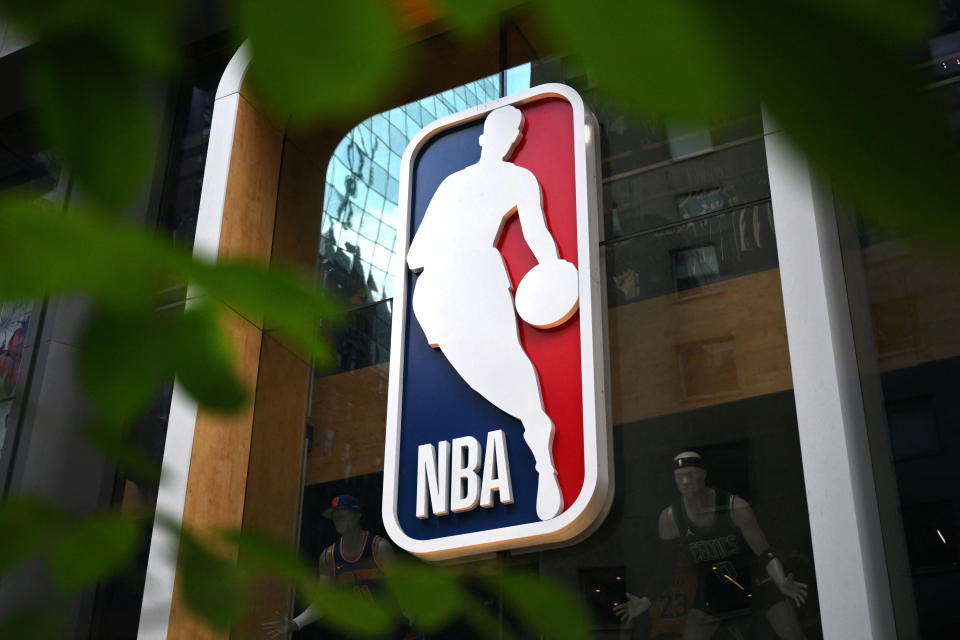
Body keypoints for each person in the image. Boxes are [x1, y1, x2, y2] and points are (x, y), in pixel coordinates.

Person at [406, 105, 571, 521]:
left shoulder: (513, 180)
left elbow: (539, 237)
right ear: (495, 139)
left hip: (469, 278)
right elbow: (413, 256)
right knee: (486, 369)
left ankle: (542, 453)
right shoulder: (457, 183)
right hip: (444, 289)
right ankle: (535, 424)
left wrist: (552, 273)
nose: (511, 140)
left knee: (509, 361)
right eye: (508, 132)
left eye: (513, 134)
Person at [614, 452, 809, 640]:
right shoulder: (670, 518)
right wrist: (645, 601)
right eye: (679, 477)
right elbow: (666, 568)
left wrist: (781, 580)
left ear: (703, 475)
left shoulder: (734, 507)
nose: (685, 482)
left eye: (690, 475)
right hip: (715, 592)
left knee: (791, 633)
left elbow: (764, 552)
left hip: (756, 584)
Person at [263, 495, 394, 637]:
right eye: (335, 517)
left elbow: (402, 591)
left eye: (343, 514)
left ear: (357, 515)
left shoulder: (378, 548)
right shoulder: (328, 557)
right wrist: (296, 623)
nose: (338, 520)